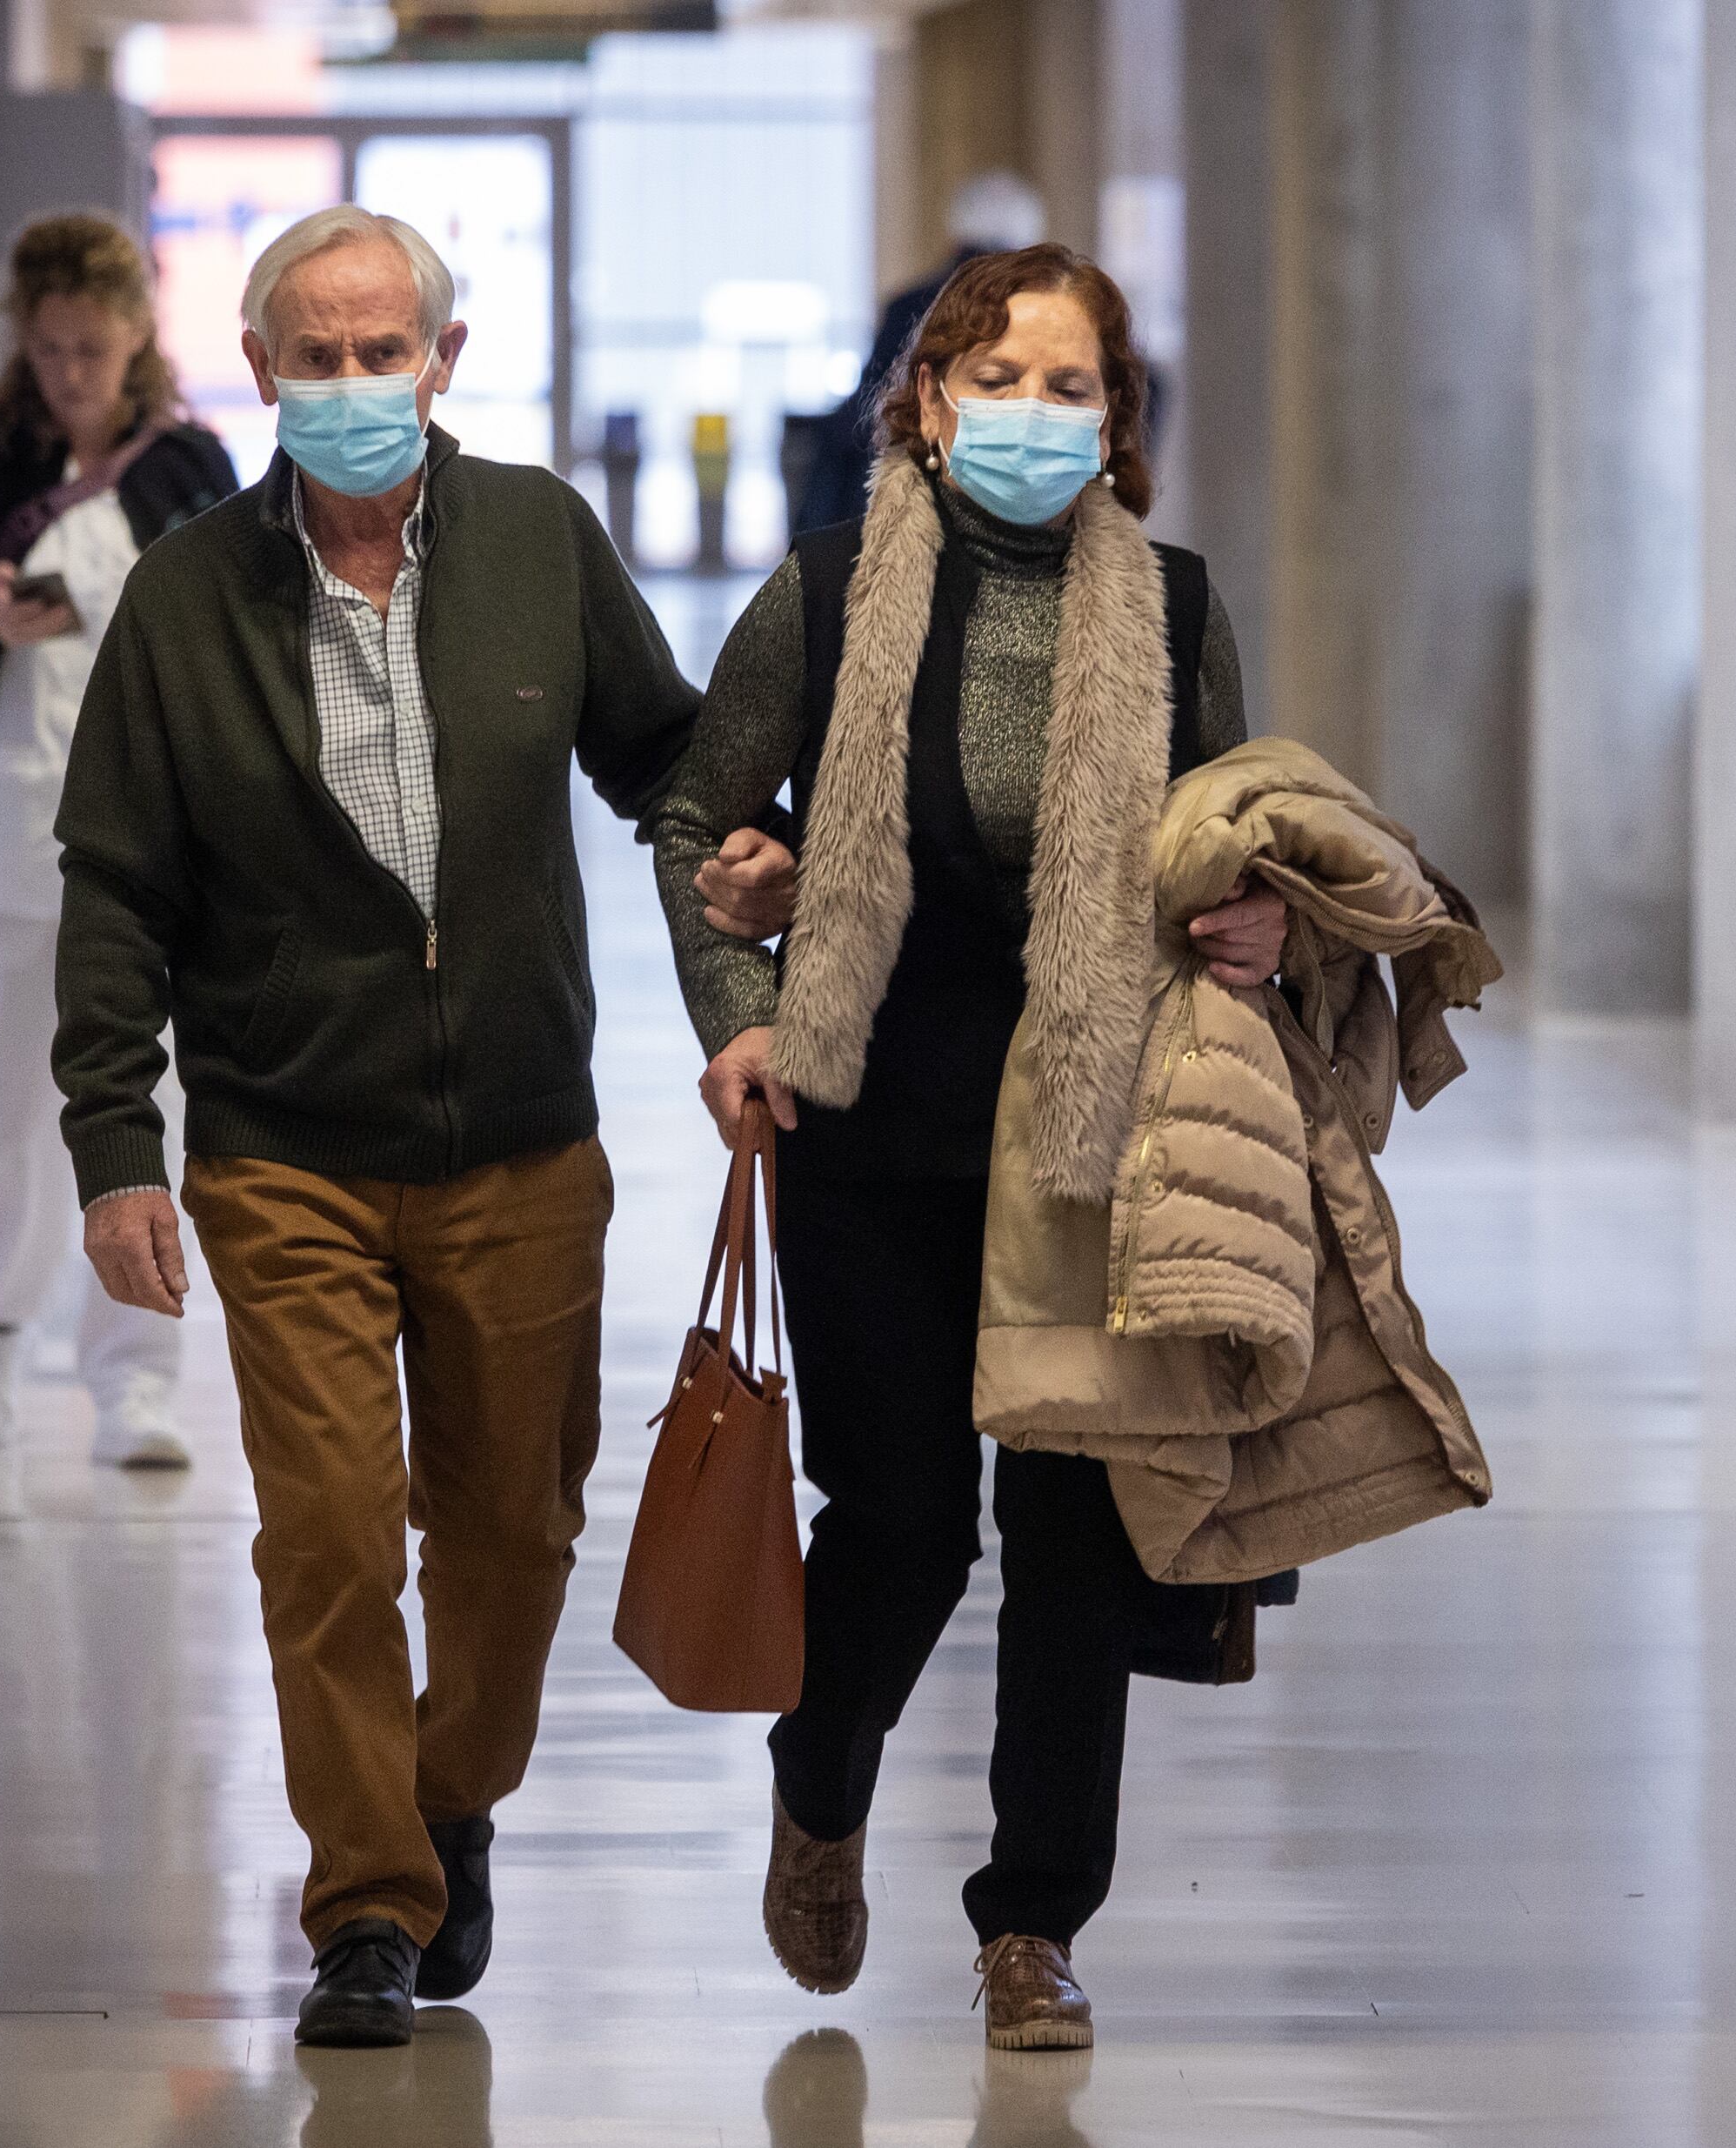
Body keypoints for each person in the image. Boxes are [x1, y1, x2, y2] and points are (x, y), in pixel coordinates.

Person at [50, 204, 796, 2050]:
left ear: (444, 361)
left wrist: (759, 851)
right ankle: (367, 1897)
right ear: (264, 371)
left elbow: (663, 763)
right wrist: (113, 1147)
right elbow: (117, 885)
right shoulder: (188, 597)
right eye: (321, 354)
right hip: (282, 1139)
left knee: (510, 1530)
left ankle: (450, 1795)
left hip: (520, 1138)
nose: (359, 382)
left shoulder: (538, 540)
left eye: (390, 350)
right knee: (322, 1529)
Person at [651, 244, 1291, 2052]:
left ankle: (1033, 1923)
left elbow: (1227, 843)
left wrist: (1258, 922)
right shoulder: (836, 592)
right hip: (877, 1117)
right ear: (929, 401)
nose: (1030, 413)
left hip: (1100, 1132)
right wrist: (738, 1011)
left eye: (1068, 385)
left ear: (1117, 419)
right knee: (908, 1519)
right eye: (994, 378)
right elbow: (699, 812)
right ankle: (825, 1769)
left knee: (1074, 1527)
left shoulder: (1174, 610)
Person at [0, 213, 238, 1469]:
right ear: (20, 342)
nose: (71, 370)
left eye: (92, 347)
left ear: (137, 333)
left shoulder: (190, 471)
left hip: (157, 845)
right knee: (3, 1113)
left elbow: (244, 641)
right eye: (49, 349)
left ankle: (134, 1380)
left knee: (155, 1112)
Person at [789, 170, 1045, 536]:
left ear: (956, 238)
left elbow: (866, 410)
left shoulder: (912, 304)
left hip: (902, 504)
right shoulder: (1047, 316)